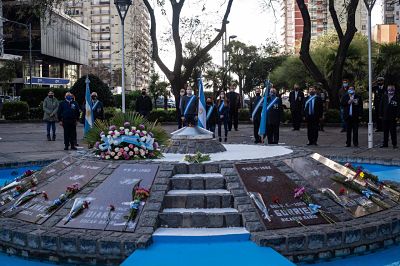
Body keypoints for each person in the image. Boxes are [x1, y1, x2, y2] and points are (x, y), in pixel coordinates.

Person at [379, 84, 399, 149]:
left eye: (392, 89)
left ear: (394, 90)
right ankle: (385, 144)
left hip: (393, 117)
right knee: (385, 131)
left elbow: (399, 108)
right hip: (385, 117)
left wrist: (398, 116)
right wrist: (381, 114)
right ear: (387, 90)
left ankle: (394, 144)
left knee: (393, 132)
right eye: (389, 89)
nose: (390, 91)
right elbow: (381, 106)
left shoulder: (397, 97)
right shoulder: (384, 96)